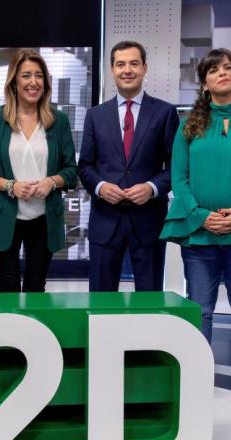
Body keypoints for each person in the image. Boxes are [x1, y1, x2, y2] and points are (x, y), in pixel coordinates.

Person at [160, 48, 231, 411]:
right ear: (204, 83)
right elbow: (178, 177)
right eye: (213, 70)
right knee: (201, 312)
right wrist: (199, 216)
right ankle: (196, 381)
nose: (222, 73)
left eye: (228, 68)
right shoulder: (188, 126)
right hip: (200, 234)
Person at [0, 49, 78, 292]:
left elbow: (71, 170)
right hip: (4, 215)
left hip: (44, 218)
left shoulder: (59, 120)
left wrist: (52, 182)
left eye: (39, 76)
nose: (33, 82)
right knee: (8, 285)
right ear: (14, 81)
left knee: (36, 286)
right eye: (26, 75)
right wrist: (10, 186)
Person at [79, 41, 179, 292]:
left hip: (149, 220)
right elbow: (85, 166)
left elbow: (176, 167)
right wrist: (100, 187)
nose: (127, 70)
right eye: (120, 64)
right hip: (105, 220)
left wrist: (151, 188)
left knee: (149, 300)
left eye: (134, 63)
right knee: (101, 300)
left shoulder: (165, 113)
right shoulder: (95, 115)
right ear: (112, 70)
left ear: (144, 68)